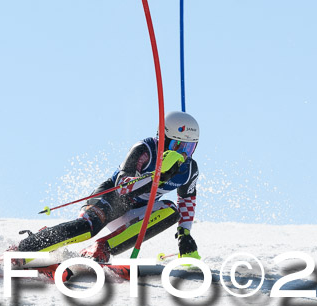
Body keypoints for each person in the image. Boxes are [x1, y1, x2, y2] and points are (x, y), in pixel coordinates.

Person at [11, 111, 201, 266]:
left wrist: (184, 234)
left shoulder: (189, 169)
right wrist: (156, 176)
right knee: (87, 228)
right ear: (163, 139)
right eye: (178, 146)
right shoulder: (145, 150)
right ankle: (25, 249)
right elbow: (122, 186)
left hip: (135, 214)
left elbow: (187, 200)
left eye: (189, 148)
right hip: (113, 199)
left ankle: (101, 248)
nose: (183, 155)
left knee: (170, 211)